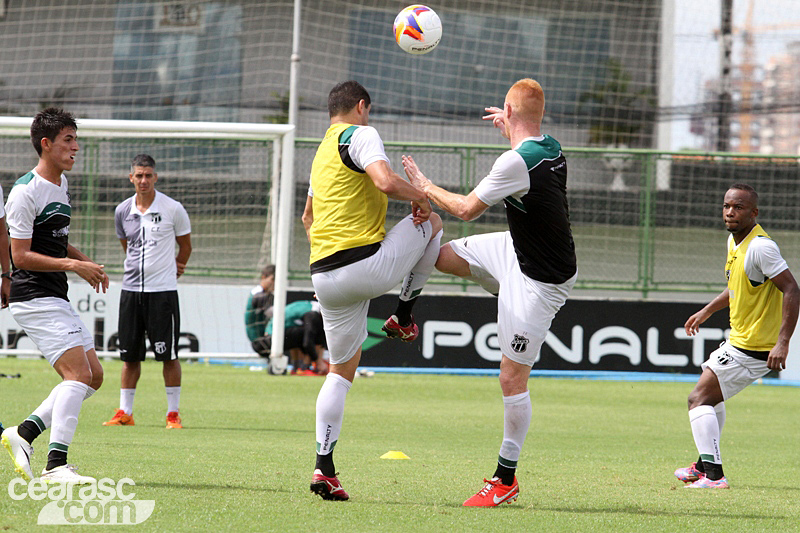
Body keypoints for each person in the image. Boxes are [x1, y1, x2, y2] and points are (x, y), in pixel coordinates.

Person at [402, 79, 577, 506]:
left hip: (540, 281)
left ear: (508, 111)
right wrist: (512, 124)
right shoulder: (551, 147)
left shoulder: (515, 162)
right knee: (440, 255)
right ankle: (403, 316)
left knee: (511, 377)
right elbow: (525, 147)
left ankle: (505, 480)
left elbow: (465, 209)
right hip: (516, 250)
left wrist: (424, 186)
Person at [303, 80, 443, 501]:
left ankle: (324, 467)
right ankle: (403, 314)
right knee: (434, 223)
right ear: (361, 106)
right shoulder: (361, 134)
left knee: (339, 372)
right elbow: (384, 181)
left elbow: (308, 217)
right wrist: (422, 197)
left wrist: (330, 256)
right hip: (363, 265)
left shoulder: (321, 153)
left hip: (323, 275)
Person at [0, 108, 108, 484]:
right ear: (46, 144)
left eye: (76, 139)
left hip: (54, 294)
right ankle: (55, 465)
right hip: (33, 297)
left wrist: (83, 260)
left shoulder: (60, 185)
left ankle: (24, 433)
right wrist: (73, 266)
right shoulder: (25, 191)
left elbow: (55, 241)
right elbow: (20, 255)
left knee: (93, 377)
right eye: (68, 140)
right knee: (77, 374)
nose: (76, 147)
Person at [675, 184, 799, 489]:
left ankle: (714, 476)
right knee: (710, 396)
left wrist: (783, 343)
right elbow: (737, 287)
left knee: (698, 399)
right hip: (741, 340)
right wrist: (707, 310)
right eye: (727, 206)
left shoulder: (760, 247)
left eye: (739, 207)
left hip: (754, 346)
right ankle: (703, 466)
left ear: (754, 213)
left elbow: (792, 290)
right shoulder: (734, 241)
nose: (730, 212)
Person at [103, 154, 192, 429]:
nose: (143, 180)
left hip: (162, 292)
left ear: (156, 177)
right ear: (131, 178)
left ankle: (173, 414)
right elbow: (126, 245)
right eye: (139, 175)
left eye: (148, 175)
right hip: (131, 291)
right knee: (129, 357)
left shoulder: (173, 208)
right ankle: (125, 412)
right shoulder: (122, 210)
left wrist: (178, 267)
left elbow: (185, 246)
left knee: (168, 355)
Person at [264, 299, 327, 375]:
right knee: (311, 335)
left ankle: (296, 367)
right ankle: (304, 368)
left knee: (300, 334)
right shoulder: (312, 314)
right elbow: (307, 343)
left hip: (268, 338)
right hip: (274, 338)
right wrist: (318, 361)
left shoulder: (307, 306)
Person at [245, 264, 275, 358]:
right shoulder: (258, 294)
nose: (275, 283)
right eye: (273, 279)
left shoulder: (268, 295)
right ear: (263, 277)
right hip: (260, 341)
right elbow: (273, 313)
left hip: (265, 338)